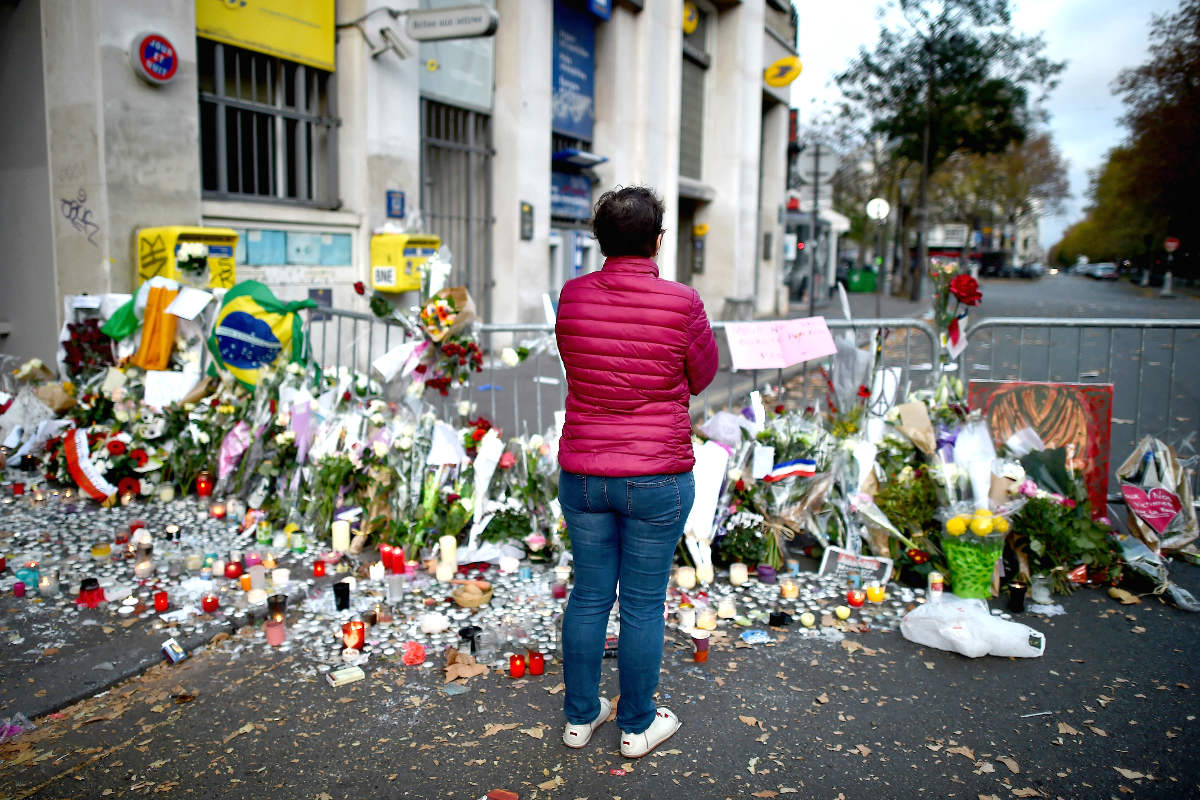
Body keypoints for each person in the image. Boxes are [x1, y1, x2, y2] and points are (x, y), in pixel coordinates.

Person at [554, 186, 719, 757]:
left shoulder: (571, 297)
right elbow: (702, 375)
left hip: (584, 471)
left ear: (600, 240)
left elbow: (581, 364)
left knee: (590, 594)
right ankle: (636, 725)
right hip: (657, 475)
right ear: (657, 240)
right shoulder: (682, 303)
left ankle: (580, 718)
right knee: (644, 604)